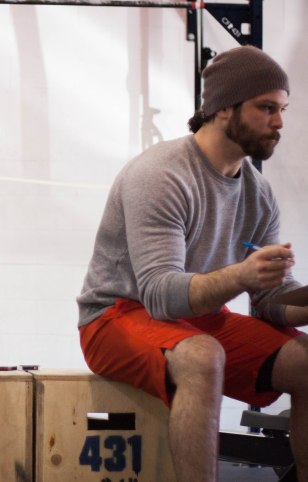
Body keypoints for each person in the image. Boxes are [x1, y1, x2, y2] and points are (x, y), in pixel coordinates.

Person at [77, 45, 308, 482]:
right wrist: (241, 274)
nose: (279, 122)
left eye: (283, 109)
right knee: (202, 356)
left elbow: (270, 302)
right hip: (115, 316)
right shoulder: (161, 175)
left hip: (198, 320)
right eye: (266, 108)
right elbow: (160, 296)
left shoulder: (258, 193)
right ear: (223, 108)